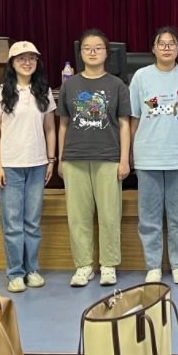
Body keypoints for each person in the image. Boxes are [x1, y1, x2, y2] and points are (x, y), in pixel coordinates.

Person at [56, 29, 131, 287]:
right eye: (87, 48)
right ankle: (83, 266)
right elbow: (63, 125)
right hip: (74, 158)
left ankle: (108, 265)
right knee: (78, 216)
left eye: (98, 48)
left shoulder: (117, 85)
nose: (92, 52)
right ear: (80, 53)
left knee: (110, 215)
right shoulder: (69, 85)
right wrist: (60, 158)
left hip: (108, 157)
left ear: (107, 53)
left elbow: (124, 124)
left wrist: (124, 159)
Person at [0, 41, 56, 293]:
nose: (27, 62)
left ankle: (32, 269)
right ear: (12, 62)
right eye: (21, 58)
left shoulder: (43, 91)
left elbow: (50, 128)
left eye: (32, 58)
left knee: (32, 222)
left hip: (37, 165)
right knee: (13, 223)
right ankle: (15, 273)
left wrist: (51, 160)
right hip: (10, 165)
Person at [130, 26, 178, 285]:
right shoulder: (141, 76)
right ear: (153, 48)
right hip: (148, 156)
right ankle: (153, 266)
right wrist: (130, 152)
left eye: (172, 43)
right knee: (149, 218)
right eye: (161, 43)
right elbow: (134, 117)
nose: (167, 48)